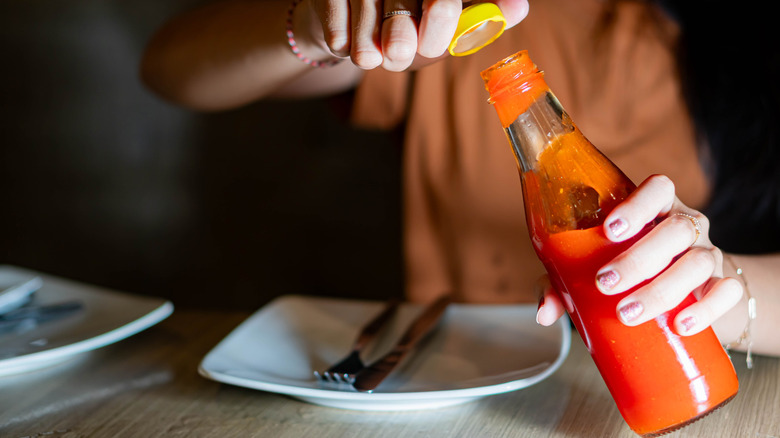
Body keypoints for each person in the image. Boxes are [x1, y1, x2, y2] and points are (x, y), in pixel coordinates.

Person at [140, 0, 779, 357]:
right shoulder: (485, 24)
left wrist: (727, 291)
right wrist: (312, 23)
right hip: (463, 391)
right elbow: (173, 69)